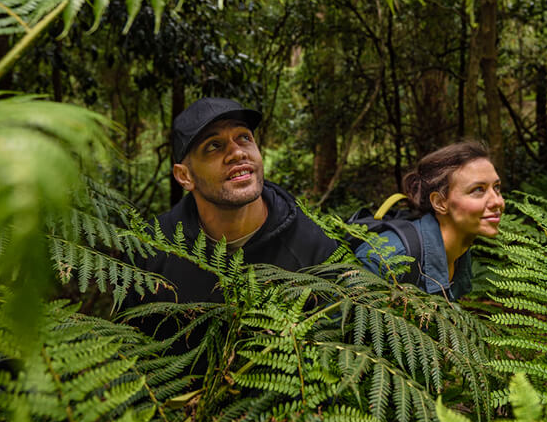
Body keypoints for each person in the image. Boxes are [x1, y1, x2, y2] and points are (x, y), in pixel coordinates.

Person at [138, 97, 346, 304]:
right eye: (213, 146)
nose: (237, 153)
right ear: (185, 176)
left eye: (244, 138)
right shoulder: (150, 250)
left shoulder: (311, 245)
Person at [355, 141, 505, 301]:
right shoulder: (386, 259)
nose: (497, 201)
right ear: (440, 203)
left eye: (496, 187)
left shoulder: (461, 250)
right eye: (478, 190)